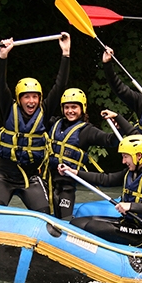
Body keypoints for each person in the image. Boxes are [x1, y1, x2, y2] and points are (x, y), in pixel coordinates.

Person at [0, 33, 71, 212]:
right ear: (19, 99)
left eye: (35, 96)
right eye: (27, 97)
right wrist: (3, 57)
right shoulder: (9, 109)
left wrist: (65, 53)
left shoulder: (45, 111)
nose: (31, 101)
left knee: (44, 213)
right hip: (3, 176)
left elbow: (60, 86)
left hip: (31, 177)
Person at [58, 135, 142, 248]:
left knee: (92, 226)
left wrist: (130, 206)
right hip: (128, 223)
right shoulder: (132, 172)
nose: (123, 161)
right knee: (77, 223)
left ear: (138, 156)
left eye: (126, 156)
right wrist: (74, 172)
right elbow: (106, 179)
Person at [47, 88, 120, 220]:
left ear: (82, 108)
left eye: (74, 107)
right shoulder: (54, 123)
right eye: (67, 107)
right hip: (47, 179)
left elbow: (110, 141)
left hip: (67, 184)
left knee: (64, 218)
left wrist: (117, 127)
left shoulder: (87, 131)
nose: (70, 111)